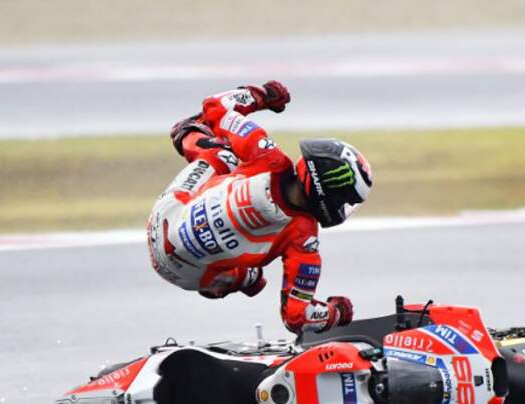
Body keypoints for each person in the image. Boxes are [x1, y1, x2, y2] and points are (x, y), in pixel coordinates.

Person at [146, 80, 373, 334]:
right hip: (186, 275)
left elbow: (215, 107)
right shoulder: (304, 240)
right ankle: (241, 280)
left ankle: (187, 134)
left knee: (222, 154)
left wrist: (262, 96)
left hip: (162, 219)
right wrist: (336, 312)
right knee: (255, 279)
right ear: (329, 195)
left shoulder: (266, 153)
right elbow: (297, 317)